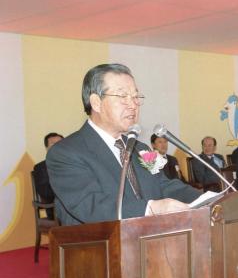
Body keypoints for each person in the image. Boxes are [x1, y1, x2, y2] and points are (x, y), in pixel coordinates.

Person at [46, 63, 200, 225]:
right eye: (122, 96)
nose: (133, 105)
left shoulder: (142, 149)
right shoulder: (65, 152)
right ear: (96, 102)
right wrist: (151, 208)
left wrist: (207, 199)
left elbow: (165, 185)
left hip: (150, 239)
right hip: (99, 245)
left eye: (135, 97)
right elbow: (89, 204)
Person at [33, 132, 64, 219]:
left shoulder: (74, 164)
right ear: (47, 148)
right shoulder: (41, 168)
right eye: (54, 144)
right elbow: (45, 193)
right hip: (56, 209)